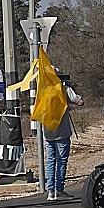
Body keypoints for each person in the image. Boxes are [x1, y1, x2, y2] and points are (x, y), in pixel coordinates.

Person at [43, 73, 84, 201]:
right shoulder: (63, 87)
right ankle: (59, 190)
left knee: (50, 161)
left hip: (48, 132)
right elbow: (79, 101)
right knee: (61, 161)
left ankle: (50, 191)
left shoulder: (42, 90)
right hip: (62, 131)